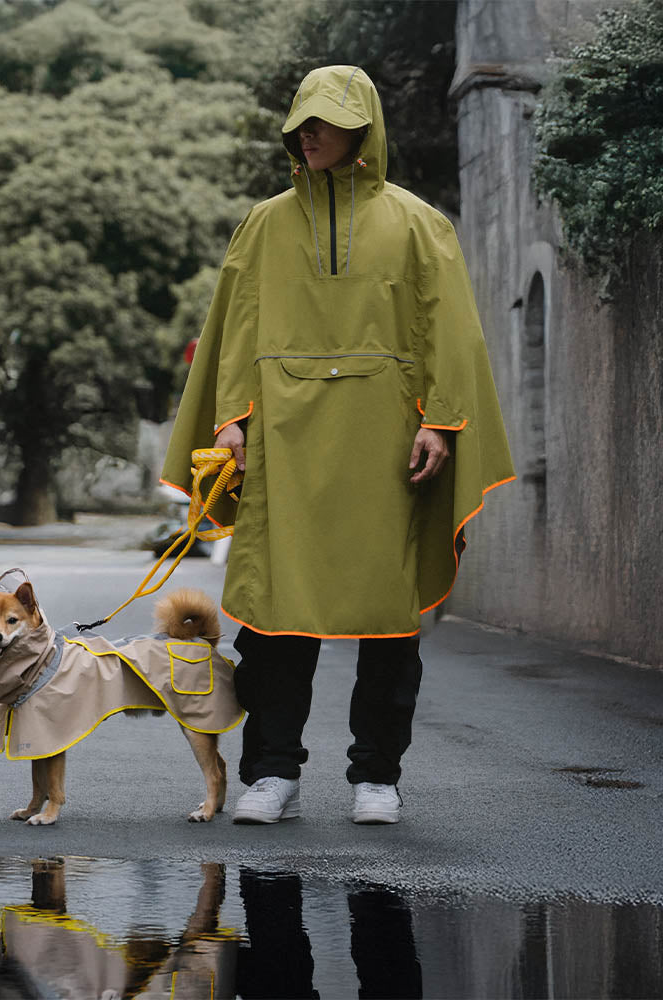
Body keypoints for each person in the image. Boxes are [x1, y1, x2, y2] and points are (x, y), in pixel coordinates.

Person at [160, 66, 515, 825]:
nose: (307, 133)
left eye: (325, 120)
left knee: (387, 621)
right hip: (283, 444)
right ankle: (272, 774)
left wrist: (441, 421)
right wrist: (232, 416)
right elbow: (235, 329)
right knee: (278, 621)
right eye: (300, 122)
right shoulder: (262, 224)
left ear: (365, 129)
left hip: (385, 445)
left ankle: (377, 777)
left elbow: (449, 330)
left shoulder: (420, 223)